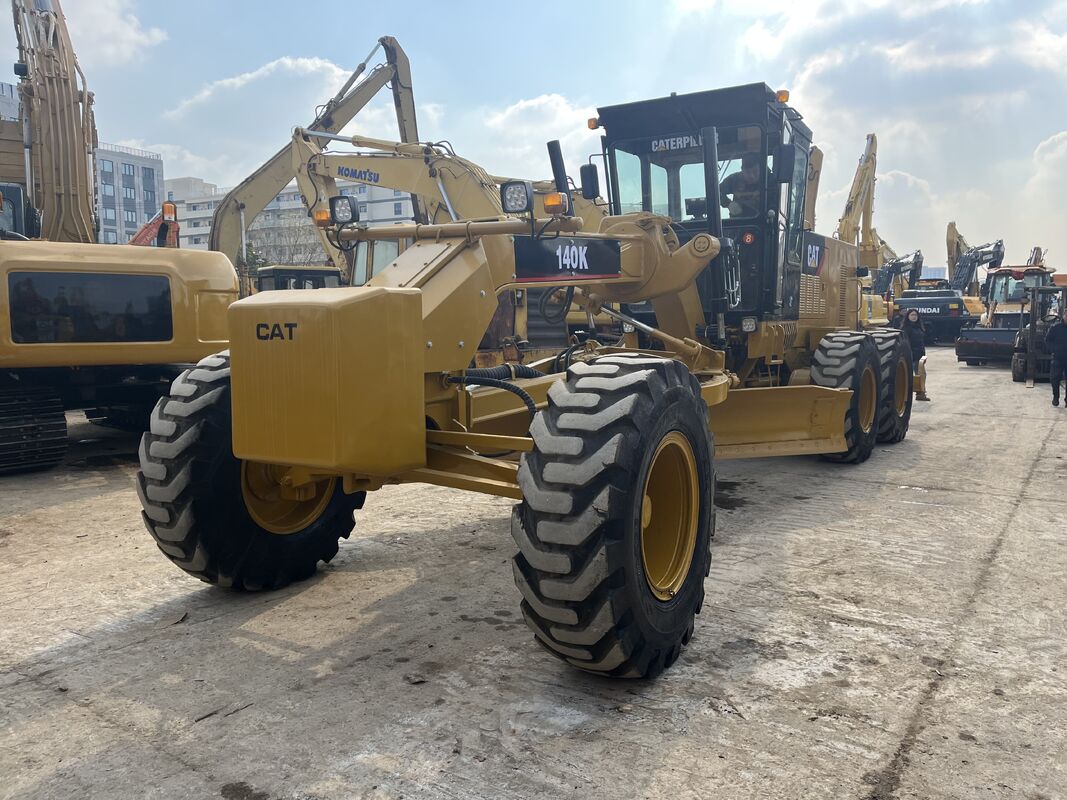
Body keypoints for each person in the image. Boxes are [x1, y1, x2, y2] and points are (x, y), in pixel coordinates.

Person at [719, 153, 761, 218]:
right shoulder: (735, 179)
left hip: (762, 222)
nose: (751, 176)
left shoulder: (769, 180)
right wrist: (728, 204)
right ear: (742, 170)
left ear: (761, 169)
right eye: (748, 172)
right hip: (739, 223)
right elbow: (716, 191)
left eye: (755, 171)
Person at [900, 309, 930, 401]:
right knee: (917, 375)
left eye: (915, 315)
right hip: (911, 355)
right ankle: (919, 393)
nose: (914, 317)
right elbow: (905, 343)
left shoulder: (919, 327)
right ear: (908, 316)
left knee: (921, 375)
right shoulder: (906, 329)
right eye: (912, 315)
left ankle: (920, 393)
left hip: (919, 355)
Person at [1045, 309, 1067, 407]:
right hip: (1058, 357)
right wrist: (1053, 349)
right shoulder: (1056, 327)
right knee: (1054, 378)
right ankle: (1056, 397)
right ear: (1064, 315)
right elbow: (1047, 340)